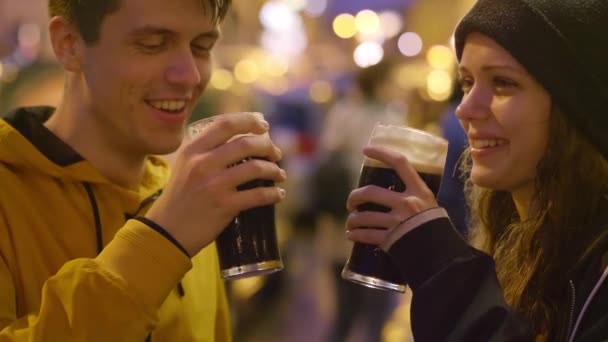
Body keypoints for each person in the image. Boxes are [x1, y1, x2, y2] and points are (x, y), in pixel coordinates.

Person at [0, 0, 287, 341]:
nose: (190, 76)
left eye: (202, 47)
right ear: (69, 44)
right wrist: (161, 241)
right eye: (152, 45)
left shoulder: (190, 201)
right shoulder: (10, 192)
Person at [344, 0, 608, 340]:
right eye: (467, 82)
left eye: (502, 82)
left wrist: (441, 263)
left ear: (574, 107)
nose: (465, 109)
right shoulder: (516, 241)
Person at [316, 60, 403, 342]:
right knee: (376, 310)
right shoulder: (392, 120)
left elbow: (327, 153)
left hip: (341, 220)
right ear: (380, 83)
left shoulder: (343, 113)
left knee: (344, 309)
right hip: (378, 224)